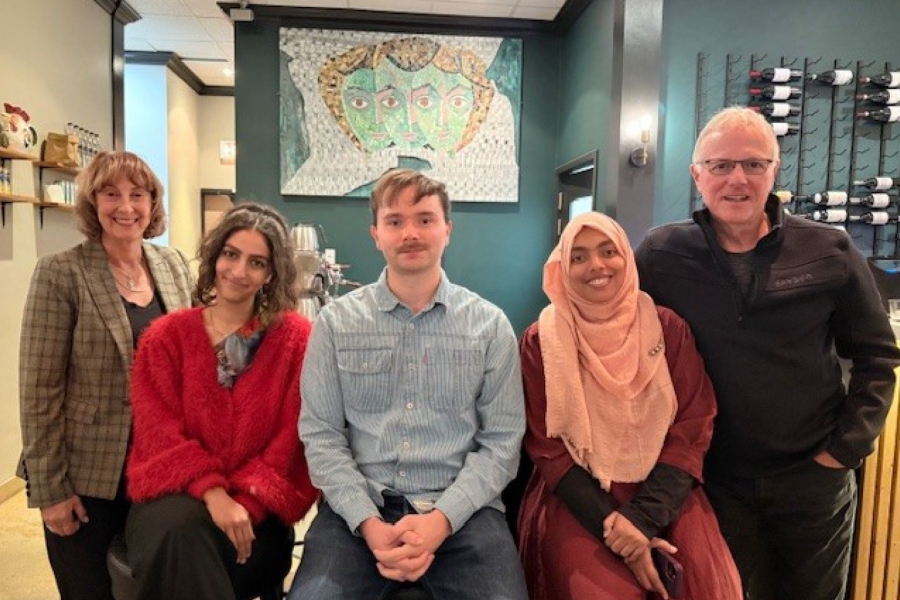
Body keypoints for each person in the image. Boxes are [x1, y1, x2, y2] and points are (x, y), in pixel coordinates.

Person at [634, 106, 900, 600]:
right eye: (720, 165)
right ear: (697, 176)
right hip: (714, 483)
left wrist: (842, 452)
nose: (738, 179)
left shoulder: (831, 249)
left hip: (813, 481)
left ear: (775, 172)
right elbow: (611, 323)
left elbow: (878, 357)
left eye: (754, 164)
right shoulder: (661, 254)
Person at [289, 168, 528, 600]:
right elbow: (321, 436)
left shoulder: (490, 327)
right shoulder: (335, 324)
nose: (410, 233)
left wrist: (441, 521)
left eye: (424, 219)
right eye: (395, 221)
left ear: (447, 229)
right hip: (359, 513)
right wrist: (368, 522)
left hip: (464, 515)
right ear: (376, 234)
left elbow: (502, 443)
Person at [518, 212, 742, 600]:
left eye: (608, 251)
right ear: (562, 267)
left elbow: (693, 424)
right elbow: (548, 447)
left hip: (665, 487)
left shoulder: (668, 329)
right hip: (581, 494)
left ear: (626, 256)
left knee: (708, 586)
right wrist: (617, 529)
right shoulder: (541, 341)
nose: (596, 266)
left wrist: (642, 519)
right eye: (579, 256)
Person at [17, 150, 193, 600]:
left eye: (138, 194)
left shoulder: (171, 265)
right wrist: (52, 491)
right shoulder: (61, 272)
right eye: (111, 194)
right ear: (92, 202)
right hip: (85, 474)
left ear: (153, 203)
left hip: (156, 471)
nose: (126, 206)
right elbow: (39, 391)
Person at [124, 203, 319, 600]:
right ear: (215, 256)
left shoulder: (296, 341)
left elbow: (290, 442)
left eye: (256, 262)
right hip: (174, 497)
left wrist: (245, 504)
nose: (238, 271)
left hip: (256, 512)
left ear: (271, 274)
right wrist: (213, 494)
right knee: (180, 532)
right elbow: (158, 434)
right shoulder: (166, 337)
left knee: (196, 549)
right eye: (231, 254)